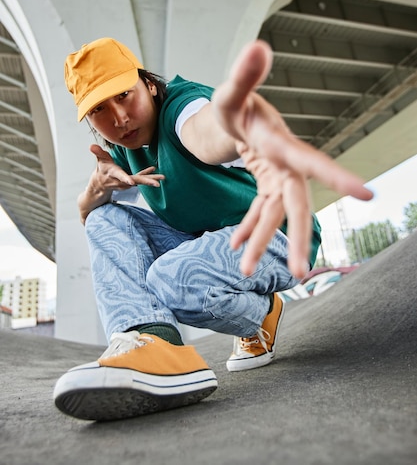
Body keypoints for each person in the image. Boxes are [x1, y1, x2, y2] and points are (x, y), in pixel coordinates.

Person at [53, 37, 372, 421]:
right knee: (106, 217)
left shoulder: (181, 107)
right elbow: (93, 223)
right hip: (206, 243)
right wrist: (95, 190)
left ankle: (259, 311)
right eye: (99, 109)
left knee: (171, 279)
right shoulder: (119, 150)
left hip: (275, 235)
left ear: (149, 85)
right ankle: (151, 340)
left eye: (124, 95)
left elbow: (205, 133)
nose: (118, 118)